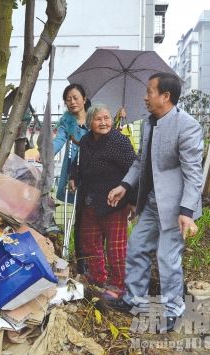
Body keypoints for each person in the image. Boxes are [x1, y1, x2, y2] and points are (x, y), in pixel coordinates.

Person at [107, 73, 203, 332]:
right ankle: (133, 299)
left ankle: (174, 310)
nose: (145, 97)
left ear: (165, 96)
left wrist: (187, 211)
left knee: (167, 257)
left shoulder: (187, 125)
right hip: (151, 203)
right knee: (136, 247)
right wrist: (124, 185)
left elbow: (194, 173)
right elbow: (140, 161)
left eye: (150, 91)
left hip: (175, 207)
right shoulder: (149, 123)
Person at [68, 104, 137, 298]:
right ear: (90, 122)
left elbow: (134, 170)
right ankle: (97, 277)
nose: (104, 122)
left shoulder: (119, 141)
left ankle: (118, 285)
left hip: (114, 203)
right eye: (98, 119)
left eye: (107, 118)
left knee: (116, 248)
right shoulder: (86, 141)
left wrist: (132, 199)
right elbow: (77, 162)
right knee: (89, 242)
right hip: (90, 200)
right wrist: (73, 176)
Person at [52, 84, 90, 203]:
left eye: (75, 98)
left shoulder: (95, 118)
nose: (72, 102)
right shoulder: (66, 122)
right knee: (78, 206)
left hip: (93, 167)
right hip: (74, 167)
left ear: (84, 99)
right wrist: (46, 153)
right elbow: (59, 139)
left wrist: (119, 116)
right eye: (68, 100)